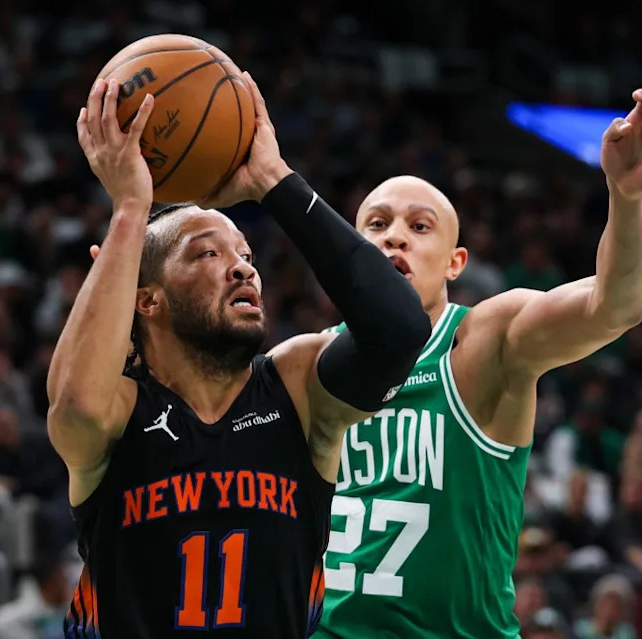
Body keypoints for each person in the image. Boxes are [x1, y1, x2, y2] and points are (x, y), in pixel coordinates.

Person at [47, 73, 430, 638]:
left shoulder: (296, 390)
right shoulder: (119, 411)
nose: (243, 267)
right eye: (206, 253)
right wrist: (131, 210)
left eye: (246, 254)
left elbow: (399, 330)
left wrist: (274, 181)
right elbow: (75, 406)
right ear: (146, 299)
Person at [317, 82, 642, 638]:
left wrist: (627, 199)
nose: (395, 238)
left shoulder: (483, 341)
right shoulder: (308, 364)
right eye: (377, 225)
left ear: (454, 262)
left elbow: (614, 307)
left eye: (419, 227)